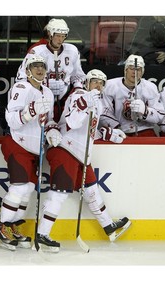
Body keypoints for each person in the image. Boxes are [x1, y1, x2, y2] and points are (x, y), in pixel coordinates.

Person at [36, 69, 131, 253]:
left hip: (81, 154)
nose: (98, 86)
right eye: (94, 82)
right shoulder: (78, 95)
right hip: (66, 150)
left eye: (101, 83)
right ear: (87, 83)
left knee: (91, 190)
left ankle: (108, 226)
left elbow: (90, 130)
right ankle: (42, 234)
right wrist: (85, 102)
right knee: (59, 194)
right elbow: (72, 123)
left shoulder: (98, 104)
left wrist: (108, 133)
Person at [0, 54, 62, 251]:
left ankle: (12, 226)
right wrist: (30, 111)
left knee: (29, 189)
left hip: (35, 148)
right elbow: (12, 120)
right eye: (35, 66)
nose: (39, 69)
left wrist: (52, 129)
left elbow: (48, 120)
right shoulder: (21, 88)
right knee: (20, 187)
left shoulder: (47, 92)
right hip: (17, 143)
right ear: (27, 70)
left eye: (42, 66)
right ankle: (1, 228)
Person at [16, 18, 86, 122]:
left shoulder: (72, 51)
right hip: (41, 101)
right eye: (57, 36)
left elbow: (78, 77)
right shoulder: (37, 51)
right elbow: (21, 78)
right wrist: (44, 86)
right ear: (50, 34)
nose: (60, 40)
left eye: (63, 36)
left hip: (64, 102)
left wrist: (78, 90)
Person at [100, 54, 165, 136]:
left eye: (138, 69)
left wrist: (145, 111)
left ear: (142, 72)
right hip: (118, 130)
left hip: (144, 129)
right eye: (131, 68)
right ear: (125, 70)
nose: (135, 72)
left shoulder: (150, 87)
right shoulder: (110, 86)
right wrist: (117, 128)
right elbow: (104, 112)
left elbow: (160, 115)